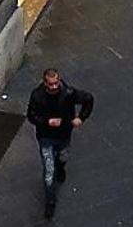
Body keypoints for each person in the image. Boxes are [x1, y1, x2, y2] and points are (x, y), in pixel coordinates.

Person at [26, 68, 94, 219]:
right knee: (49, 171)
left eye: (56, 83)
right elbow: (31, 115)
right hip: (46, 137)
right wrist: (47, 122)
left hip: (63, 135)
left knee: (62, 157)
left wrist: (81, 117)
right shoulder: (37, 95)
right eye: (51, 84)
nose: (54, 87)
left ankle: (61, 167)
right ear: (45, 83)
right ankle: (50, 201)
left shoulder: (68, 93)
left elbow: (88, 98)